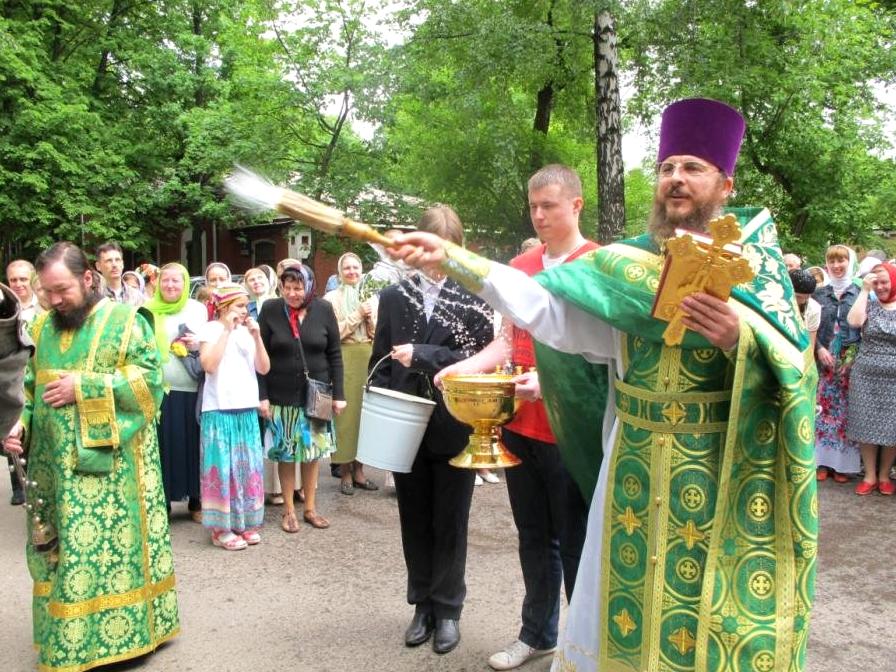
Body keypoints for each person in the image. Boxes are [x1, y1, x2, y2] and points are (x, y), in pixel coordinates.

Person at [387, 99, 818, 672]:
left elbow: (798, 370)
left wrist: (740, 340)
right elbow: (549, 311)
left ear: (725, 183)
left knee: (704, 618)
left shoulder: (756, 270)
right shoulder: (623, 265)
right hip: (634, 464)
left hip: (719, 470)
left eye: (691, 167)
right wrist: (458, 259)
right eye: (667, 168)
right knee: (621, 606)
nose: (675, 180)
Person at [435, 165, 598, 670]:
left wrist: (550, 385)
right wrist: (460, 368)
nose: (539, 214)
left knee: (576, 544)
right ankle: (538, 634)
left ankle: (582, 648)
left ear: (576, 206)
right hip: (519, 427)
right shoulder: (520, 263)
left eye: (549, 205)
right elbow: (506, 340)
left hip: (571, 430)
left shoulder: (598, 265)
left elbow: (606, 355)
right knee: (533, 538)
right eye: (533, 206)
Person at [2, 241, 179, 670]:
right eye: (47, 292)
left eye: (61, 290)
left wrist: (84, 386)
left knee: (102, 554)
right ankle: (69, 636)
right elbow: (30, 386)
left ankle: (118, 640)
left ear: (87, 278)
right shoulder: (43, 327)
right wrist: (19, 424)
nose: (54, 300)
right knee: (59, 552)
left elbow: (150, 382)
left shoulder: (125, 322)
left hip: (112, 472)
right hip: (52, 468)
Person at [370, 206, 494, 656]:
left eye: (444, 253)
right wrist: (375, 416)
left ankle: (448, 610)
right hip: (403, 424)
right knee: (413, 519)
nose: (434, 262)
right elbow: (379, 365)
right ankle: (421, 604)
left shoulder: (475, 298)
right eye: (428, 250)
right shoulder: (392, 296)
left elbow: (481, 362)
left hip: (454, 423)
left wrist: (424, 354)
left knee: (451, 521)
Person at [259, 264, 345, 533]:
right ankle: (288, 510)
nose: (293, 293)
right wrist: (262, 396)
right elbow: (259, 356)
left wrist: (339, 395)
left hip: (317, 394)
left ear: (308, 287)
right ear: (281, 288)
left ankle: (310, 508)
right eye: (288, 288)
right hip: (281, 395)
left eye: (298, 288)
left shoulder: (323, 309)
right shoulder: (271, 310)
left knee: (313, 453)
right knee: (285, 454)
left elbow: (334, 354)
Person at [198, 283, 270, 550]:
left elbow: (263, 368)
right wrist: (226, 330)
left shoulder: (248, 332)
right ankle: (220, 528)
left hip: (246, 408)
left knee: (246, 468)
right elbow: (208, 364)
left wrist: (257, 337)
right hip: (218, 409)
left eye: (246, 304)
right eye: (240, 305)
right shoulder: (211, 329)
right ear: (225, 306)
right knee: (223, 469)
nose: (245, 309)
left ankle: (245, 522)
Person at [145, 263, 208, 521]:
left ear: (185, 284)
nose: (171, 285)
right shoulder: (147, 310)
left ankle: (196, 502)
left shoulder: (198, 309)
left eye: (176, 281)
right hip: (161, 390)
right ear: (158, 283)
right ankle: (164, 503)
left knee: (194, 446)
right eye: (166, 280)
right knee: (162, 448)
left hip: (191, 388)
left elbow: (206, 343)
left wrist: (192, 343)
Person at [323, 252, 379, 495]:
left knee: (366, 417)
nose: (352, 272)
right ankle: (344, 471)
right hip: (344, 357)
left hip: (368, 357)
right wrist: (357, 314)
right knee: (345, 416)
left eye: (356, 267)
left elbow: (380, 332)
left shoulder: (372, 297)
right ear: (339, 271)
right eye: (347, 268)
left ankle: (360, 470)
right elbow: (333, 332)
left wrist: (371, 317)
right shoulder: (330, 298)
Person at [846, 263, 896, 496]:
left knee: (892, 426)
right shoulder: (870, 302)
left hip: (894, 377)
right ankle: (869, 475)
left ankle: (885, 475)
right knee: (865, 422)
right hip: (866, 373)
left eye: (885, 281)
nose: (881, 286)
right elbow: (854, 322)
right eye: (876, 282)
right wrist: (865, 291)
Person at [814, 244, 862, 483]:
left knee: (845, 414)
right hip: (824, 361)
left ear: (849, 262)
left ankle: (842, 466)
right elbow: (809, 328)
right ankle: (822, 462)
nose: (836, 266)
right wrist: (820, 349)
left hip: (849, 363)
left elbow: (864, 328)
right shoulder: (819, 293)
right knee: (822, 412)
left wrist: (851, 358)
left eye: (841, 261)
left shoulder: (860, 292)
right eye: (831, 261)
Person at [95, 241, 142, 305]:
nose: (114, 265)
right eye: (109, 261)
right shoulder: (94, 296)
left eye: (117, 260)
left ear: (122, 264)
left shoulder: (137, 296)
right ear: (98, 266)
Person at [790, 268, 820, 351]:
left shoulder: (814, 308)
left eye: (806, 297)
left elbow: (810, 342)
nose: (802, 301)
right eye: (798, 297)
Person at [6, 259, 43, 325]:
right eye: (13, 280)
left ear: (33, 280)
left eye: (23, 279)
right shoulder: (3, 307)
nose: (18, 284)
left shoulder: (45, 304)